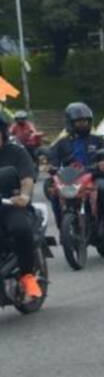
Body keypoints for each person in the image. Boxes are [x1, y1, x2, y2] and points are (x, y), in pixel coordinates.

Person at [48, 102, 104, 238]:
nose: (83, 124)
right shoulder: (62, 143)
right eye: (79, 122)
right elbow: (52, 157)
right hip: (71, 177)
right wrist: (51, 165)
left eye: (85, 121)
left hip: (95, 175)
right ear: (70, 123)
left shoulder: (97, 140)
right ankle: (63, 229)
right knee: (54, 193)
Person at [0, 117, 43, 300]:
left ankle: (28, 276)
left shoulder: (16, 152)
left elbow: (27, 178)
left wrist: (24, 196)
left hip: (10, 204)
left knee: (21, 229)